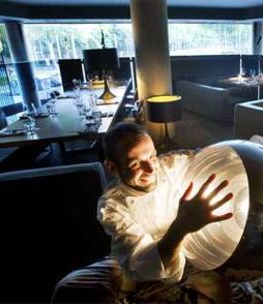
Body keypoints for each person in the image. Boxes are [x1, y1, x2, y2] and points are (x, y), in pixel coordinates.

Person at [97, 122, 234, 302]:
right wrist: (181, 226)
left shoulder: (170, 165)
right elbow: (143, 262)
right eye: (136, 164)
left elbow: (212, 156)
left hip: (191, 252)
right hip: (146, 267)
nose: (152, 169)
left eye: (152, 156)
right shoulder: (112, 206)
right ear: (113, 168)